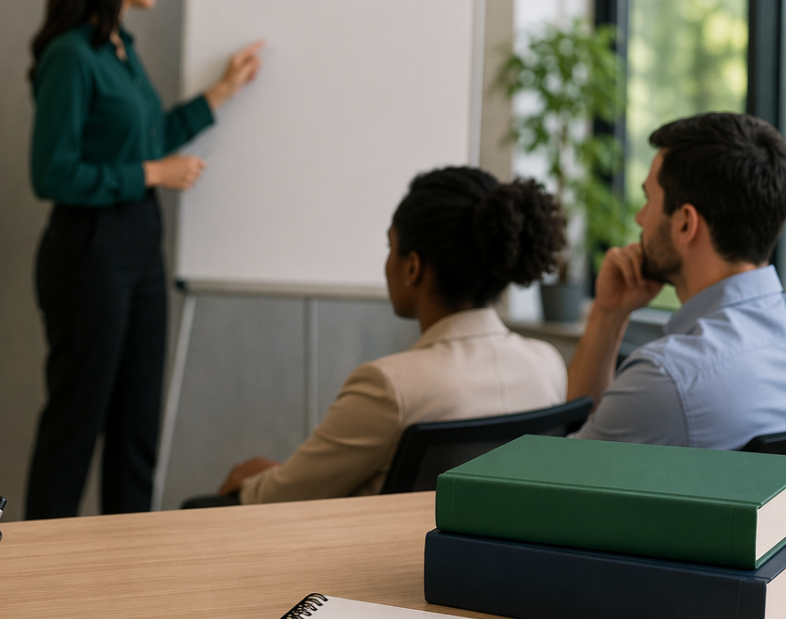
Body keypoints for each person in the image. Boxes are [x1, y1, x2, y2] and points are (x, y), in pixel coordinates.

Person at [26, 0, 262, 519]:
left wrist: (220, 95)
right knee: (76, 427)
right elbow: (51, 172)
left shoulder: (120, 49)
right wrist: (152, 175)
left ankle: (127, 567)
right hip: (88, 253)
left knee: (138, 428)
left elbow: (148, 134)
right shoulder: (71, 56)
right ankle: (38, 567)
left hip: (139, 249)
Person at [207, 167, 568, 504]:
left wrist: (257, 479)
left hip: (378, 566)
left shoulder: (390, 387)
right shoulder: (547, 365)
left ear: (412, 266)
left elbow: (283, 497)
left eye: (390, 247)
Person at [569, 112, 786, 447]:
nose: (640, 219)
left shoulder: (667, 378)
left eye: (648, 200)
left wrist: (603, 317)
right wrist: (610, 311)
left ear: (685, 223)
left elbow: (561, 476)